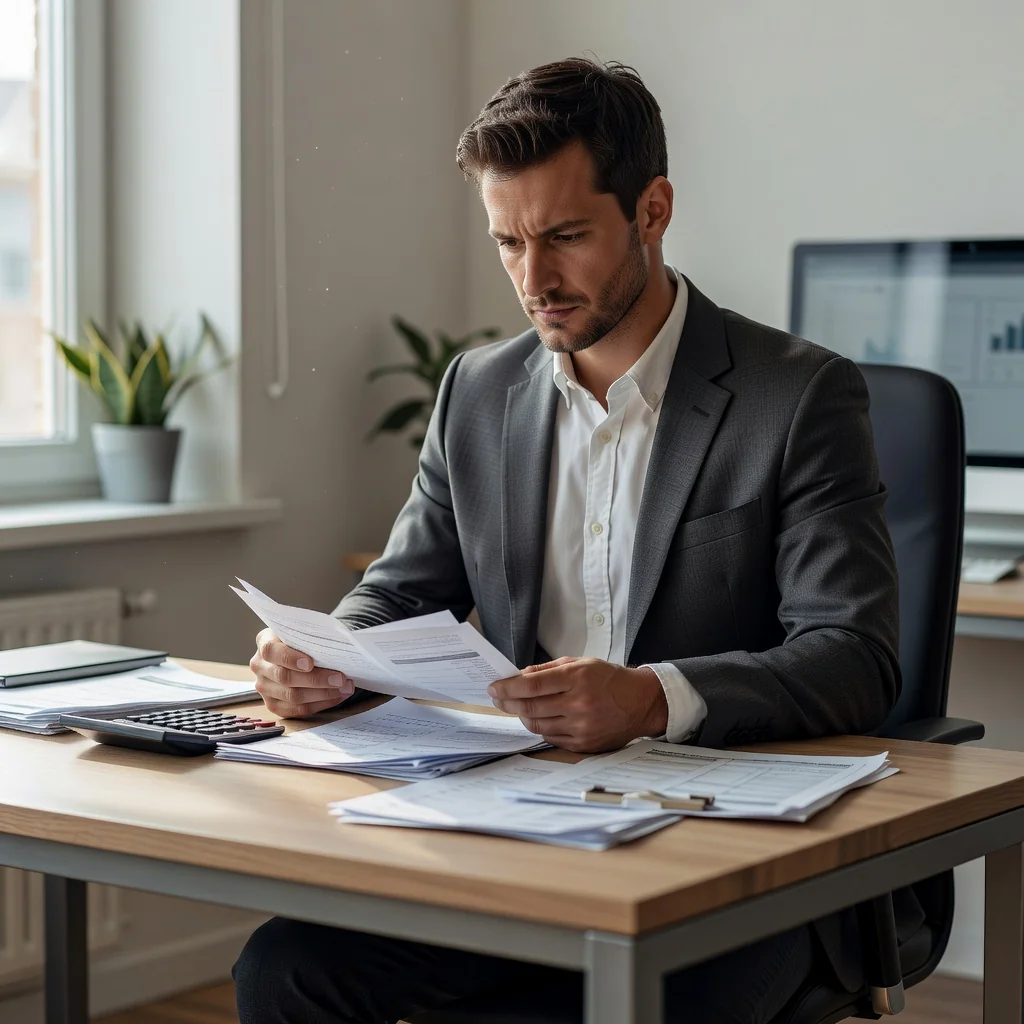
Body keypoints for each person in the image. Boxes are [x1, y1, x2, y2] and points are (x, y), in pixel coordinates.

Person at [234, 57, 900, 1024]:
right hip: (519, 827)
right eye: (508, 242)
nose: (533, 280)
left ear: (653, 210)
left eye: (565, 238)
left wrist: (649, 698)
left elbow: (854, 657)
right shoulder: (478, 393)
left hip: (730, 862)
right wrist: (323, 655)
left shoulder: (796, 397)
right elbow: (397, 592)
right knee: (284, 971)